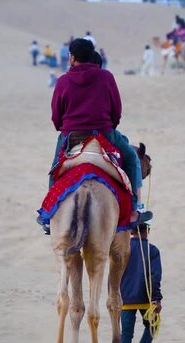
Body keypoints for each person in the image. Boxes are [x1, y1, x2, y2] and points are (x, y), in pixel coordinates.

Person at [44, 38, 153, 230]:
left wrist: (65, 128)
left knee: (55, 168)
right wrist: (110, 126)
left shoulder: (62, 81)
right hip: (103, 133)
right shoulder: (106, 77)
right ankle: (135, 208)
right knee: (131, 159)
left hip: (71, 136)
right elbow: (116, 110)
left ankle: (50, 213)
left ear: (72, 57)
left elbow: (56, 115)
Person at [120, 223, 162, 343]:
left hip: (125, 298)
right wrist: (156, 299)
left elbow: (114, 275)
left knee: (126, 333)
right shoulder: (152, 250)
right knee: (153, 324)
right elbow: (155, 277)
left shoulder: (122, 250)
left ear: (131, 231)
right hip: (146, 298)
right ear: (148, 231)